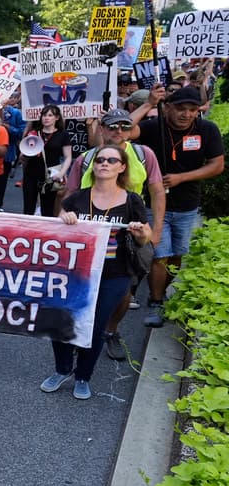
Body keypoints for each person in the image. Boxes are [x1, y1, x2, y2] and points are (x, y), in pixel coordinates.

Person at [42, 144, 152, 400]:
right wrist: (65, 219)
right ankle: (62, 369)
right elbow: (60, 222)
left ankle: (83, 376)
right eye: (100, 159)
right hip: (75, 272)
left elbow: (145, 236)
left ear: (122, 167)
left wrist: (140, 232)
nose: (104, 163)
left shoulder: (132, 200)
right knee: (62, 320)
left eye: (111, 160)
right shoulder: (78, 197)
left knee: (96, 325)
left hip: (114, 275)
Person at [65, 108, 165, 360]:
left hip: (127, 239)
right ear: (102, 128)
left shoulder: (144, 155)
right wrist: (62, 224)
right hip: (87, 238)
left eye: (124, 126)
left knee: (123, 292)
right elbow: (69, 196)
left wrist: (155, 231)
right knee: (83, 288)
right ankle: (83, 332)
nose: (118, 131)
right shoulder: (85, 159)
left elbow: (156, 191)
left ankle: (110, 331)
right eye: (112, 126)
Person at [130, 86, 224, 327]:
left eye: (193, 110)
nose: (187, 114)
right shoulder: (154, 126)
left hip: (188, 204)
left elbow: (217, 165)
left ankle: (161, 291)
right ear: (168, 107)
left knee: (176, 255)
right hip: (154, 204)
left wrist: (183, 177)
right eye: (181, 108)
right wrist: (149, 103)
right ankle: (156, 301)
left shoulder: (207, 129)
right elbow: (123, 130)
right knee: (160, 255)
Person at [19, 104, 72, 217]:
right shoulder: (34, 133)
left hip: (50, 176)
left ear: (57, 118)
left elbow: (68, 157)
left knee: (47, 210)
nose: (46, 118)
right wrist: (24, 155)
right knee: (28, 208)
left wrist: (62, 173)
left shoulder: (63, 134)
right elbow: (23, 154)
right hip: (31, 174)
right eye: (44, 115)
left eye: (50, 115)